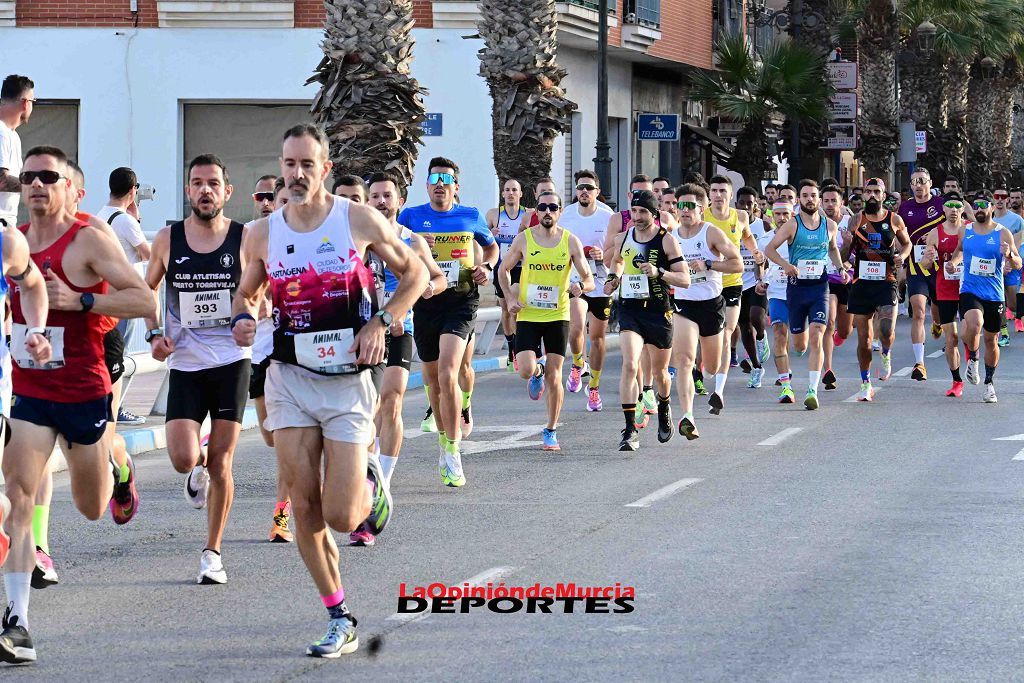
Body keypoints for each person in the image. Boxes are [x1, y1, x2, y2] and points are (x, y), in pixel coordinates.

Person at [232, 123, 424, 657]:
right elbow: (246, 294)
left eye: (306, 165)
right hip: (289, 378)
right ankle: (339, 615)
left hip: (346, 385)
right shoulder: (263, 232)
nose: (295, 175)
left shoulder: (357, 219)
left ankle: (369, 480)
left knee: (343, 516)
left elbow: (413, 276)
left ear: (326, 168)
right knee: (303, 506)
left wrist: (381, 322)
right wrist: (244, 319)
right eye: (288, 165)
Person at [1, 146, 153, 664]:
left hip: (84, 390)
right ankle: (17, 624)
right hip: (32, 391)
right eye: (29, 177)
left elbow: (145, 300)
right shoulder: (15, 242)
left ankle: (119, 464)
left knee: (91, 507)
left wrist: (84, 300)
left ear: (69, 185)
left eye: (48, 177)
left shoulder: (88, 239)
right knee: (18, 496)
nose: (37, 185)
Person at [143, 154, 252, 585]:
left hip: (231, 362)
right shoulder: (168, 239)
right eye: (196, 183)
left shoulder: (246, 238)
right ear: (188, 191)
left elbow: (263, 288)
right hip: (186, 363)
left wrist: (252, 318)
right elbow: (146, 288)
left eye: (213, 183)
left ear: (227, 191)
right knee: (183, 458)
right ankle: (197, 468)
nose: (205, 190)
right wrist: (154, 332)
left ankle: (213, 553)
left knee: (223, 461)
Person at [355, 172, 446, 546]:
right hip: (363, 331)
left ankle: (381, 483)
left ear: (399, 201)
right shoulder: (362, 243)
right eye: (374, 196)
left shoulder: (411, 240)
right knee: (368, 408)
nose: (380, 202)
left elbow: (438, 278)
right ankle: (367, 473)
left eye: (386, 196)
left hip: (400, 329)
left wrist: (426, 288)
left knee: (391, 400)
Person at [398, 157, 497, 487]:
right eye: (434, 179)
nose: (440, 184)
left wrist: (489, 267)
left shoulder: (470, 215)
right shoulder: (411, 217)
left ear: (456, 187)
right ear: (426, 186)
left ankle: (453, 452)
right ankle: (444, 442)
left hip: (461, 299)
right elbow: (392, 248)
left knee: (448, 371)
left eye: (446, 179)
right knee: (433, 380)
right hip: (425, 301)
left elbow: (491, 246)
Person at [499, 191, 594, 450]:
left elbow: (589, 278)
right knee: (525, 370)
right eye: (543, 207)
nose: (548, 211)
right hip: (529, 313)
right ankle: (536, 372)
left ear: (560, 211)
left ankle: (550, 429)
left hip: (558, 315)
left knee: (556, 376)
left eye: (553, 207)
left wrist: (581, 287)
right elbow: (503, 269)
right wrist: (509, 298)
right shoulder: (524, 239)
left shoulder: (570, 241)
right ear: (536, 212)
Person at [604, 190, 690, 451]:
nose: (638, 217)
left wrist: (659, 272)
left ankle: (664, 406)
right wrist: (612, 278)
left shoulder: (667, 241)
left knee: (660, 372)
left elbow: (684, 279)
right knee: (630, 364)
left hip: (657, 310)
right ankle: (630, 430)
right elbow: (617, 262)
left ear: (654, 215)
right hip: (630, 309)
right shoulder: (623, 238)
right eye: (635, 211)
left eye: (643, 212)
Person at [764, 180, 848, 410]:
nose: (809, 199)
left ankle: (812, 390)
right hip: (796, 288)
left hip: (820, 287)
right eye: (805, 196)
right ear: (799, 199)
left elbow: (832, 248)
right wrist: (785, 265)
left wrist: (840, 268)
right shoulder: (792, 225)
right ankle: (794, 369)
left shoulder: (829, 225)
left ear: (818, 199)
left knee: (818, 335)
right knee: (800, 344)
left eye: (813, 195)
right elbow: (769, 249)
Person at [670, 183, 741, 438]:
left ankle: (710, 371)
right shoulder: (671, 236)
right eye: (681, 205)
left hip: (711, 304)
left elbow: (737, 264)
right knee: (684, 361)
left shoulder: (711, 234)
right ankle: (687, 416)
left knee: (709, 367)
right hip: (684, 304)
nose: (685, 210)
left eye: (690, 206)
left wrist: (709, 263)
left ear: (701, 208)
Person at [246, 177, 294, 543]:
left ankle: (282, 514)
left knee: (289, 440)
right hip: (260, 351)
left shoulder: (307, 239)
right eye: (271, 200)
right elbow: (239, 288)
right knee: (269, 436)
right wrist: (251, 302)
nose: (274, 206)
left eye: (280, 200)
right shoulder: (255, 238)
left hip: (293, 353)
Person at [949, 192, 1021, 402]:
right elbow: (959, 251)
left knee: (991, 340)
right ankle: (973, 358)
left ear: (991, 207)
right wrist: (953, 262)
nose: (979, 209)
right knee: (974, 323)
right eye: (975, 206)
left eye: (983, 205)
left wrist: (1009, 255)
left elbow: (1018, 263)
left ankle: (989, 383)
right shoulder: (966, 230)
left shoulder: (1002, 233)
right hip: (970, 289)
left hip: (994, 293)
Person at [702, 175, 763, 414]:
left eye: (722, 191)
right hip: (706, 284)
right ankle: (707, 367)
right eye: (714, 190)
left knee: (728, 332)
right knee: (709, 335)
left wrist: (755, 252)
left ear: (730, 195)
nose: (718, 195)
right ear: (709, 195)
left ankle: (718, 390)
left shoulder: (741, 216)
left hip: (732, 283)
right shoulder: (701, 217)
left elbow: (746, 235)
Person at [847, 178, 911, 401]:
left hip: (887, 280)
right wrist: (848, 239)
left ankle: (886, 352)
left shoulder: (894, 219)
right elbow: (846, 252)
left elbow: (907, 244)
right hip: (862, 282)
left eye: (877, 191)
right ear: (863, 195)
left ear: (884, 196)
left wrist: (900, 256)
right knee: (864, 340)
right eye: (868, 191)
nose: (872, 195)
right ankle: (866, 383)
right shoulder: (856, 219)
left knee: (885, 329)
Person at [560, 169, 614, 409]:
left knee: (598, 338)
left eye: (589, 188)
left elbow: (616, 252)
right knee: (576, 327)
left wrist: (603, 255)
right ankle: (577, 363)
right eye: (580, 187)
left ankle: (594, 387)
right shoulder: (567, 215)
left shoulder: (607, 216)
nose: (584, 191)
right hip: (576, 281)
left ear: (597, 192)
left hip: (601, 282)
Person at [898, 167, 946, 380]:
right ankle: (920, 363)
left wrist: (935, 236)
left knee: (936, 311)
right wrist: (901, 262)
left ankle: (937, 324)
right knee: (918, 311)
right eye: (914, 182)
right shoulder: (905, 208)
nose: (918, 185)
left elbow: (955, 226)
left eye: (922, 181)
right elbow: (900, 238)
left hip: (938, 265)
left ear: (930, 183)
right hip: (915, 266)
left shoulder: (940, 204)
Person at [919, 192, 968, 397]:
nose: (954, 210)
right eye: (950, 205)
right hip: (945, 288)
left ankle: (971, 356)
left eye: (958, 206)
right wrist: (928, 258)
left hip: (968, 288)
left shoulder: (970, 229)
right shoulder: (935, 233)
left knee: (968, 333)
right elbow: (924, 265)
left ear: (962, 209)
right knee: (952, 338)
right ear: (944, 209)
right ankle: (957, 381)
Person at [487, 179, 529, 371]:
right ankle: (512, 349)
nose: (511, 193)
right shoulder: (494, 215)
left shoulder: (527, 215)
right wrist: (490, 233)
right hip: (502, 268)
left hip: (521, 267)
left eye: (514, 190)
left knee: (517, 306)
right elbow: (480, 239)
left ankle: (521, 347)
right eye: (507, 190)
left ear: (520, 194)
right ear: (502, 194)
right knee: (505, 309)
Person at [734, 186, 770, 387]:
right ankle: (756, 367)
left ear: (755, 205)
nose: (746, 207)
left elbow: (771, 250)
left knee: (756, 317)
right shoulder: (730, 225)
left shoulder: (763, 226)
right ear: (736, 205)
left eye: (750, 203)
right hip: (735, 282)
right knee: (744, 327)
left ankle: (762, 337)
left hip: (757, 281)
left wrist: (763, 272)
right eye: (742, 203)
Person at [821, 185, 853, 390]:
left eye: (834, 200)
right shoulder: (818, 224)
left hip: (847, 280)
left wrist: (848, 264)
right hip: (827, 279)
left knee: (845, 330)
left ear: (841, 203)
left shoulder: (851, 223)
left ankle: (837, 339)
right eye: (826, 201)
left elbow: (859, 252)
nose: (830, 204)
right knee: (829, 321)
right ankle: (827, 370)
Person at [0, 75, 33, 229]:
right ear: (25, 103)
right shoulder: (1, 133)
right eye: (33, 102)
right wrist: (37, 185)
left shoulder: (12, 135)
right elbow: (1, 180)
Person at [992, 187, 1024, 346]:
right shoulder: (988, 218)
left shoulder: (1017, 220)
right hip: (991, 267)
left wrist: (1009, 261)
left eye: (1003, 197)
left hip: (1010, 265)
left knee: (1012, 304)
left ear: (1008, 200)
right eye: (996, 196)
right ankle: (1002, 331)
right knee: (997, 301)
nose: (999, 199)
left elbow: (1018, 242)